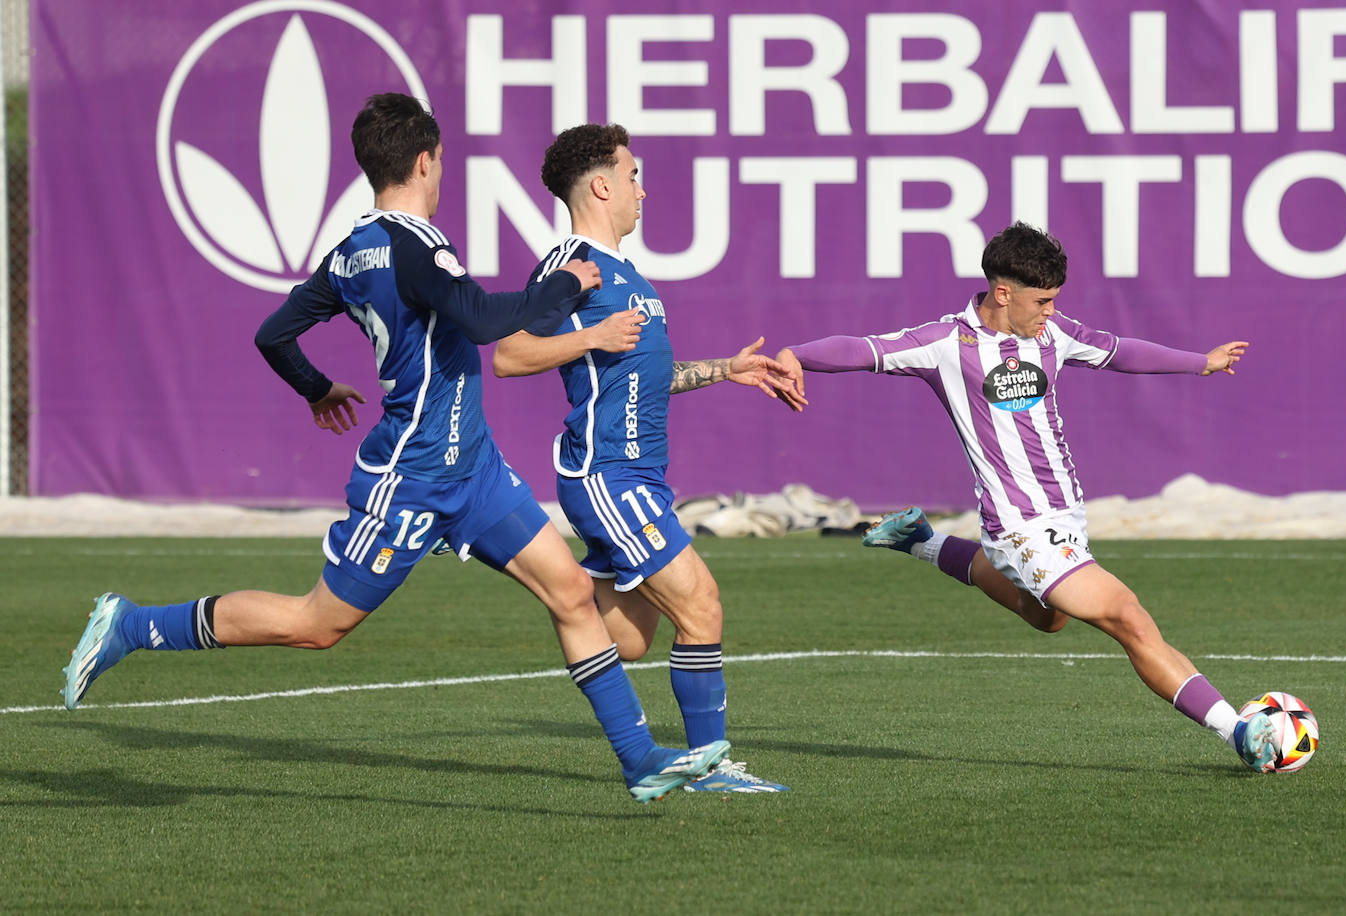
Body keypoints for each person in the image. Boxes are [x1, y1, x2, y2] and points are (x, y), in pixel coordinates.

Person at [61, 93, 729, 803]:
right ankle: (133, 624)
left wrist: (317, 389)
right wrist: (567, 285)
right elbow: (478, 321)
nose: (441, 174)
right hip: (412, 475)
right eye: (439, 162)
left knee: (570, 593)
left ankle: (640, 762)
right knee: (317, 625)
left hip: (473, 469)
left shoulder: (352, 251)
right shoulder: (417, 243)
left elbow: (273, 334)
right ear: (422, 161)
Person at [772, 221, 1281, 773]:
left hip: (1066, 517)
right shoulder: (946, 343)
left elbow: (1119, 351)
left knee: (1048, 621)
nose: (1050, 312)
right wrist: (796, 354)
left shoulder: (1052, 333)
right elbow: (863, 348)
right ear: (1002, 292)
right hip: (1020, 528)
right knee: (1128, 618)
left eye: (1055, 300)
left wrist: (1199, 361)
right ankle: (1241, 732)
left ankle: (923, 541)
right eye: (1041, 301)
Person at [488, 123, 797, 792]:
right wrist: (592, 333)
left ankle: (550, 582)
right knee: (702, 607)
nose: (642, 190)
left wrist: (727, 369)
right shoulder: (570, 266)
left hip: (639, 480)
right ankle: (710, 768)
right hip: (606, 477)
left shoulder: (626, 273)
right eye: (632, 176)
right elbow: (510, 356)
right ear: (602, 185)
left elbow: (645, 372)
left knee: (626, 640)